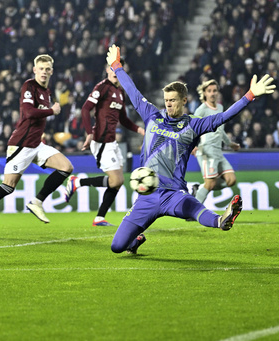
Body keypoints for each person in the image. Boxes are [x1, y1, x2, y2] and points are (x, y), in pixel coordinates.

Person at [104, 44, 275, 254]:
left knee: (193, 209)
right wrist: (116, 66)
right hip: (146, 196)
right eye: (166, 101)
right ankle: (135, 240)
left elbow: (223, 117)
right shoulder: (152, 116)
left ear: (184, 101)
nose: (168, 105)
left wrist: (249, 95)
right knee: (116, 247)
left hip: (173, 193)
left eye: (173, 101)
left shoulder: (193, 125)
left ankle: (223, 220)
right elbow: (132, 91)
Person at [0, 54, 73, 237]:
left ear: (51, 71)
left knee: (66, 167)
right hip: (21, 144)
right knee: (8, 186)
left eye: (47, 69)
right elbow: (28, 112)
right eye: (41, 68)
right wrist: (52, 110)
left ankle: (37, 202)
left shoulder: (47, 91)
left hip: (37, 143)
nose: (44, 72)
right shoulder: (29, 86)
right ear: (34, 70)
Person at [64, 59, 145, 226]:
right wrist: (88, 133)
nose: (116, 71)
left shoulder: (120, 92)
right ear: (108, 69)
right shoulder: (101, 87)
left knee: (119, 181)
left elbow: (123, 119)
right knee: (115, 180)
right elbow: (85, 109)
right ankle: (77, 182)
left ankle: (99, 217)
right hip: (101, 140)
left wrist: (139, 130)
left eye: (120, 68)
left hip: (112, 141)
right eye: (113, 68)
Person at [191, 79, 241, 206]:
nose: (212, 93)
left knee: (231, 180)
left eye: (214, 90)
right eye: (209, 91)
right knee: (211, 183)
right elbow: (191, 129)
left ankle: (200, 188)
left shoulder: (220, 108)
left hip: (218, 151)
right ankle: (193, 210)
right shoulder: (201, 110)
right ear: (205, 93)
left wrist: (230, 143)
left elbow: (221, 130)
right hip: (206, 150)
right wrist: (191, 146)